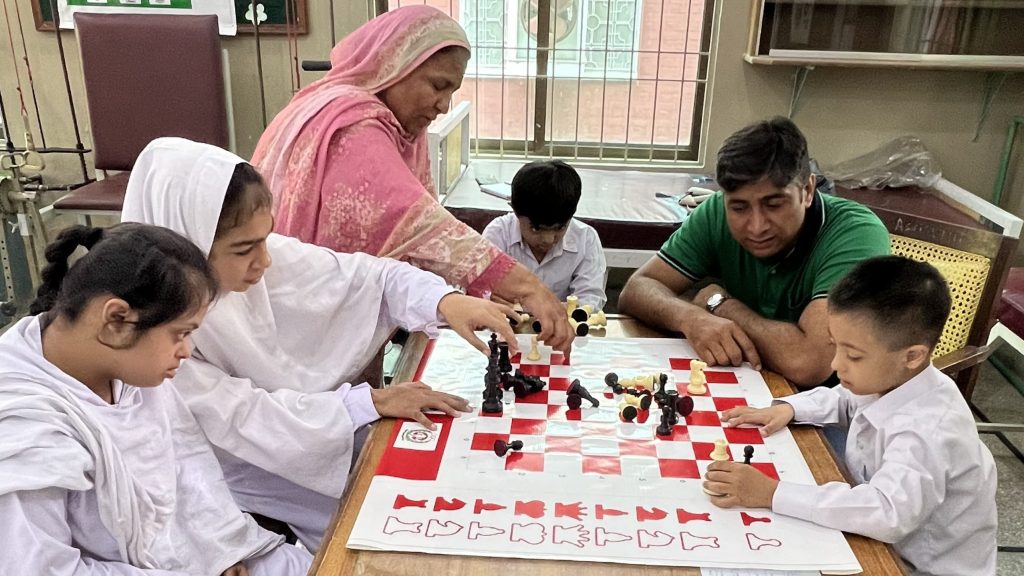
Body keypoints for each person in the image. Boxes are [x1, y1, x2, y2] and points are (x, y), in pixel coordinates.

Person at [121, 137, 523, 552]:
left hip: (316, 424)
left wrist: (445, 301)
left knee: (435, 477)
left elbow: (371, 279)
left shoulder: (261, 262)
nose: (266, 260)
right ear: (188, 245)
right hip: (243, 465)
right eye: (244, 249)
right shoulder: (155, 335)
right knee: (388, 522)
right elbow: (243, 419)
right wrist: (368, 403)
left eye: (266, 238)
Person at [251, 5, 572, 352]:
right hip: (296, 326)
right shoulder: (354, 127)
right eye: (438, 85)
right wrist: (525, 285)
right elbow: (416, 224)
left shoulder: (390, 126)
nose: (444, 105)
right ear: (396, 65)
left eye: (452, 91)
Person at [0, 223, 312, 575]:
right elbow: (38, 569)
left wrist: (221, 553)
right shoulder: (21, 424)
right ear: (117, 320)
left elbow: (187, 466)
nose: (187, 350)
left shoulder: (128, 368)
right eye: (180, 334)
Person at [704, 256, 997, 576]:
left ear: (912, 356)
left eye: (853, 355)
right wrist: (791, 408)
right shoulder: (892, 378)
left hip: (917, 567)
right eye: (836, 346)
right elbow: (845, 399)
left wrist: (772, 493)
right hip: (877, 536)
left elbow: (886, 513)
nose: (836, 364)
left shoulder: (928, 431)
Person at [618, 117, 890, 388]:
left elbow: (809, 363)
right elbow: (637, 289)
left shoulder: (857, 234)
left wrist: (721, 305)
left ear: (807, 190)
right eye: (739, 208)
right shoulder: (715, 212)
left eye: (774, 205)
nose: (756, 226)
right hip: (748, 384)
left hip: (838, 400)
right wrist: (691, 318)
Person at [482, 160, 607, 310]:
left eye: (560, 228)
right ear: (514, 210)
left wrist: (570, 310)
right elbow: (482, 293)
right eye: (536, 229)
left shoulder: (586, 239)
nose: (548, 240)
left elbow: (590, 299)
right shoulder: (497, 235)